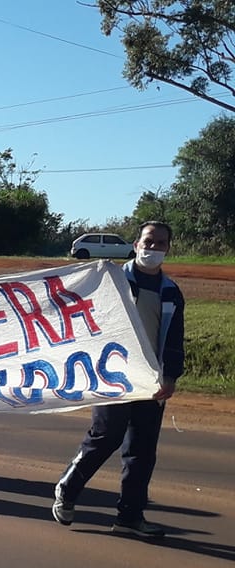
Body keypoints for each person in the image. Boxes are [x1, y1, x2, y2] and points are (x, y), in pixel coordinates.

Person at [53, 221, 185, 539]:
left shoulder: (170, 292)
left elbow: (175, 339)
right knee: (106, 438)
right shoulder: (113, 282)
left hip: (150, 380)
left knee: (141, 450)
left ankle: (129, 516)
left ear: (168, 248)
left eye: (161, 243)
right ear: (136, 243)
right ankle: (67, 491)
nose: (153, 249)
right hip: (113, 376)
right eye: (149, 241)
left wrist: (170, 376)